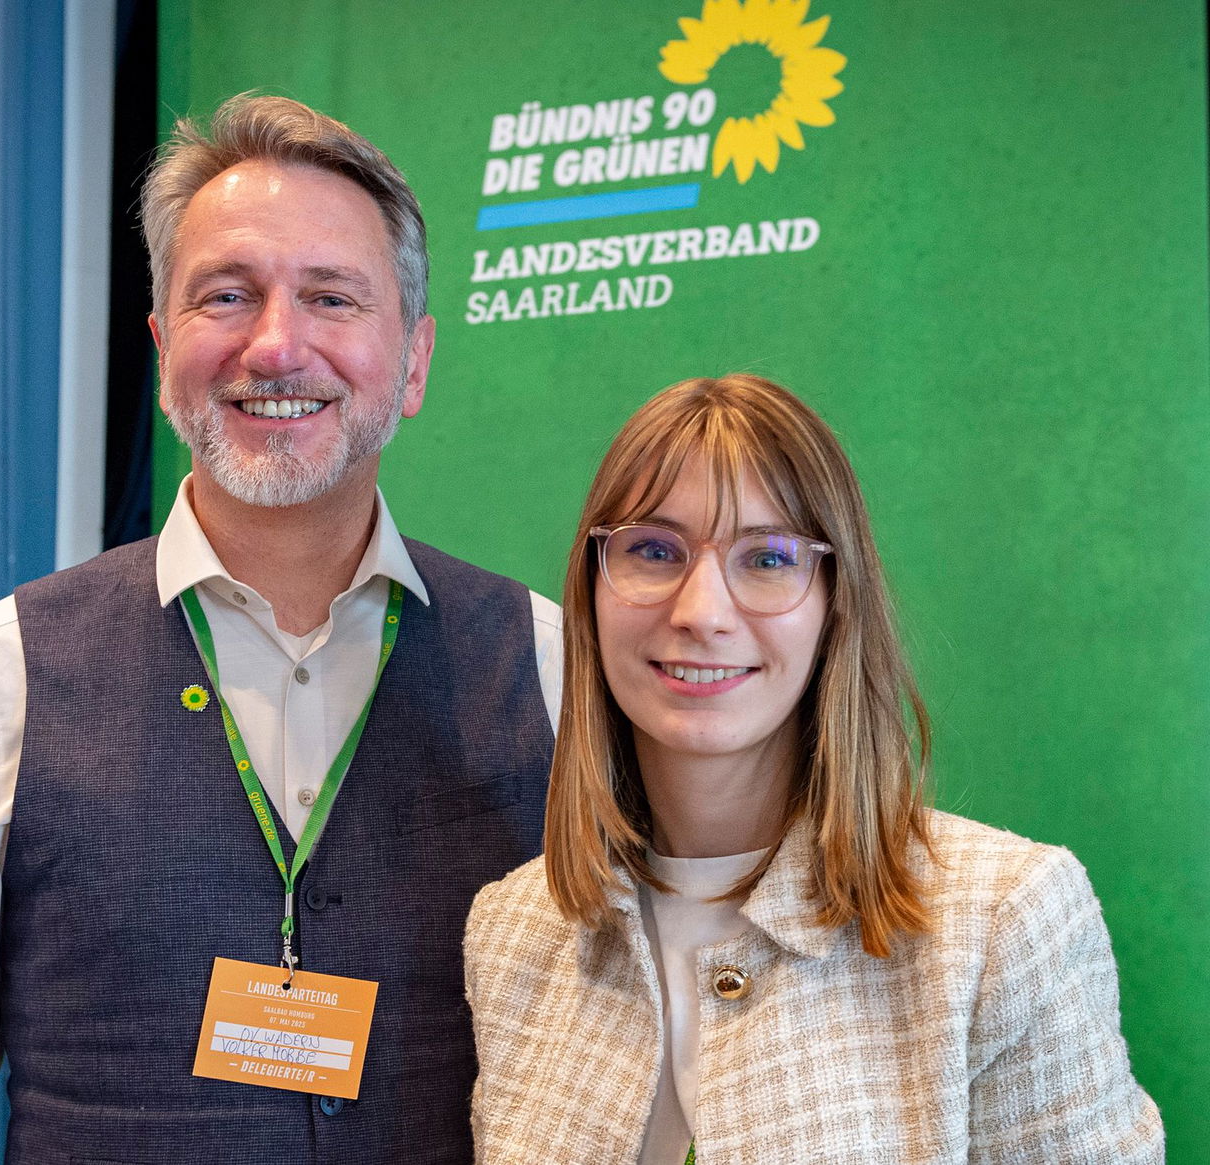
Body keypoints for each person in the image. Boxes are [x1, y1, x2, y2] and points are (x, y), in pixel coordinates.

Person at [0, 94, 561, 1163]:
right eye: (228, 295)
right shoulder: (3, 671)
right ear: (166, 342)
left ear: (412, 362)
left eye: (331, 296)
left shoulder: (545, 661)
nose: (276, 344)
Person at [463, 374, 1163, 1163]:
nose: (701, 611)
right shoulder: (514, 932)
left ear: (835, 603)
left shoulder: (1001, 920)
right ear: (591, 590)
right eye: (653, 550)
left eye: (766, 557)